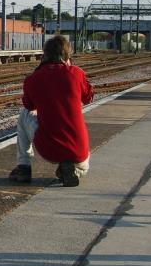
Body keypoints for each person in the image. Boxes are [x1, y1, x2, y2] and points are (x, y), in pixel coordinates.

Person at [9, 35, 94, 187]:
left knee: (24, 114)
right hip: (78, 151)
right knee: (82, 167)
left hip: (48, 149)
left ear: (44, 56)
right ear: (67, 56)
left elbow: (29, 106)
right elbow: (88, 98)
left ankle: (23, 167)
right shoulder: (76, 73)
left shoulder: (33, 79)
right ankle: (71, 170)